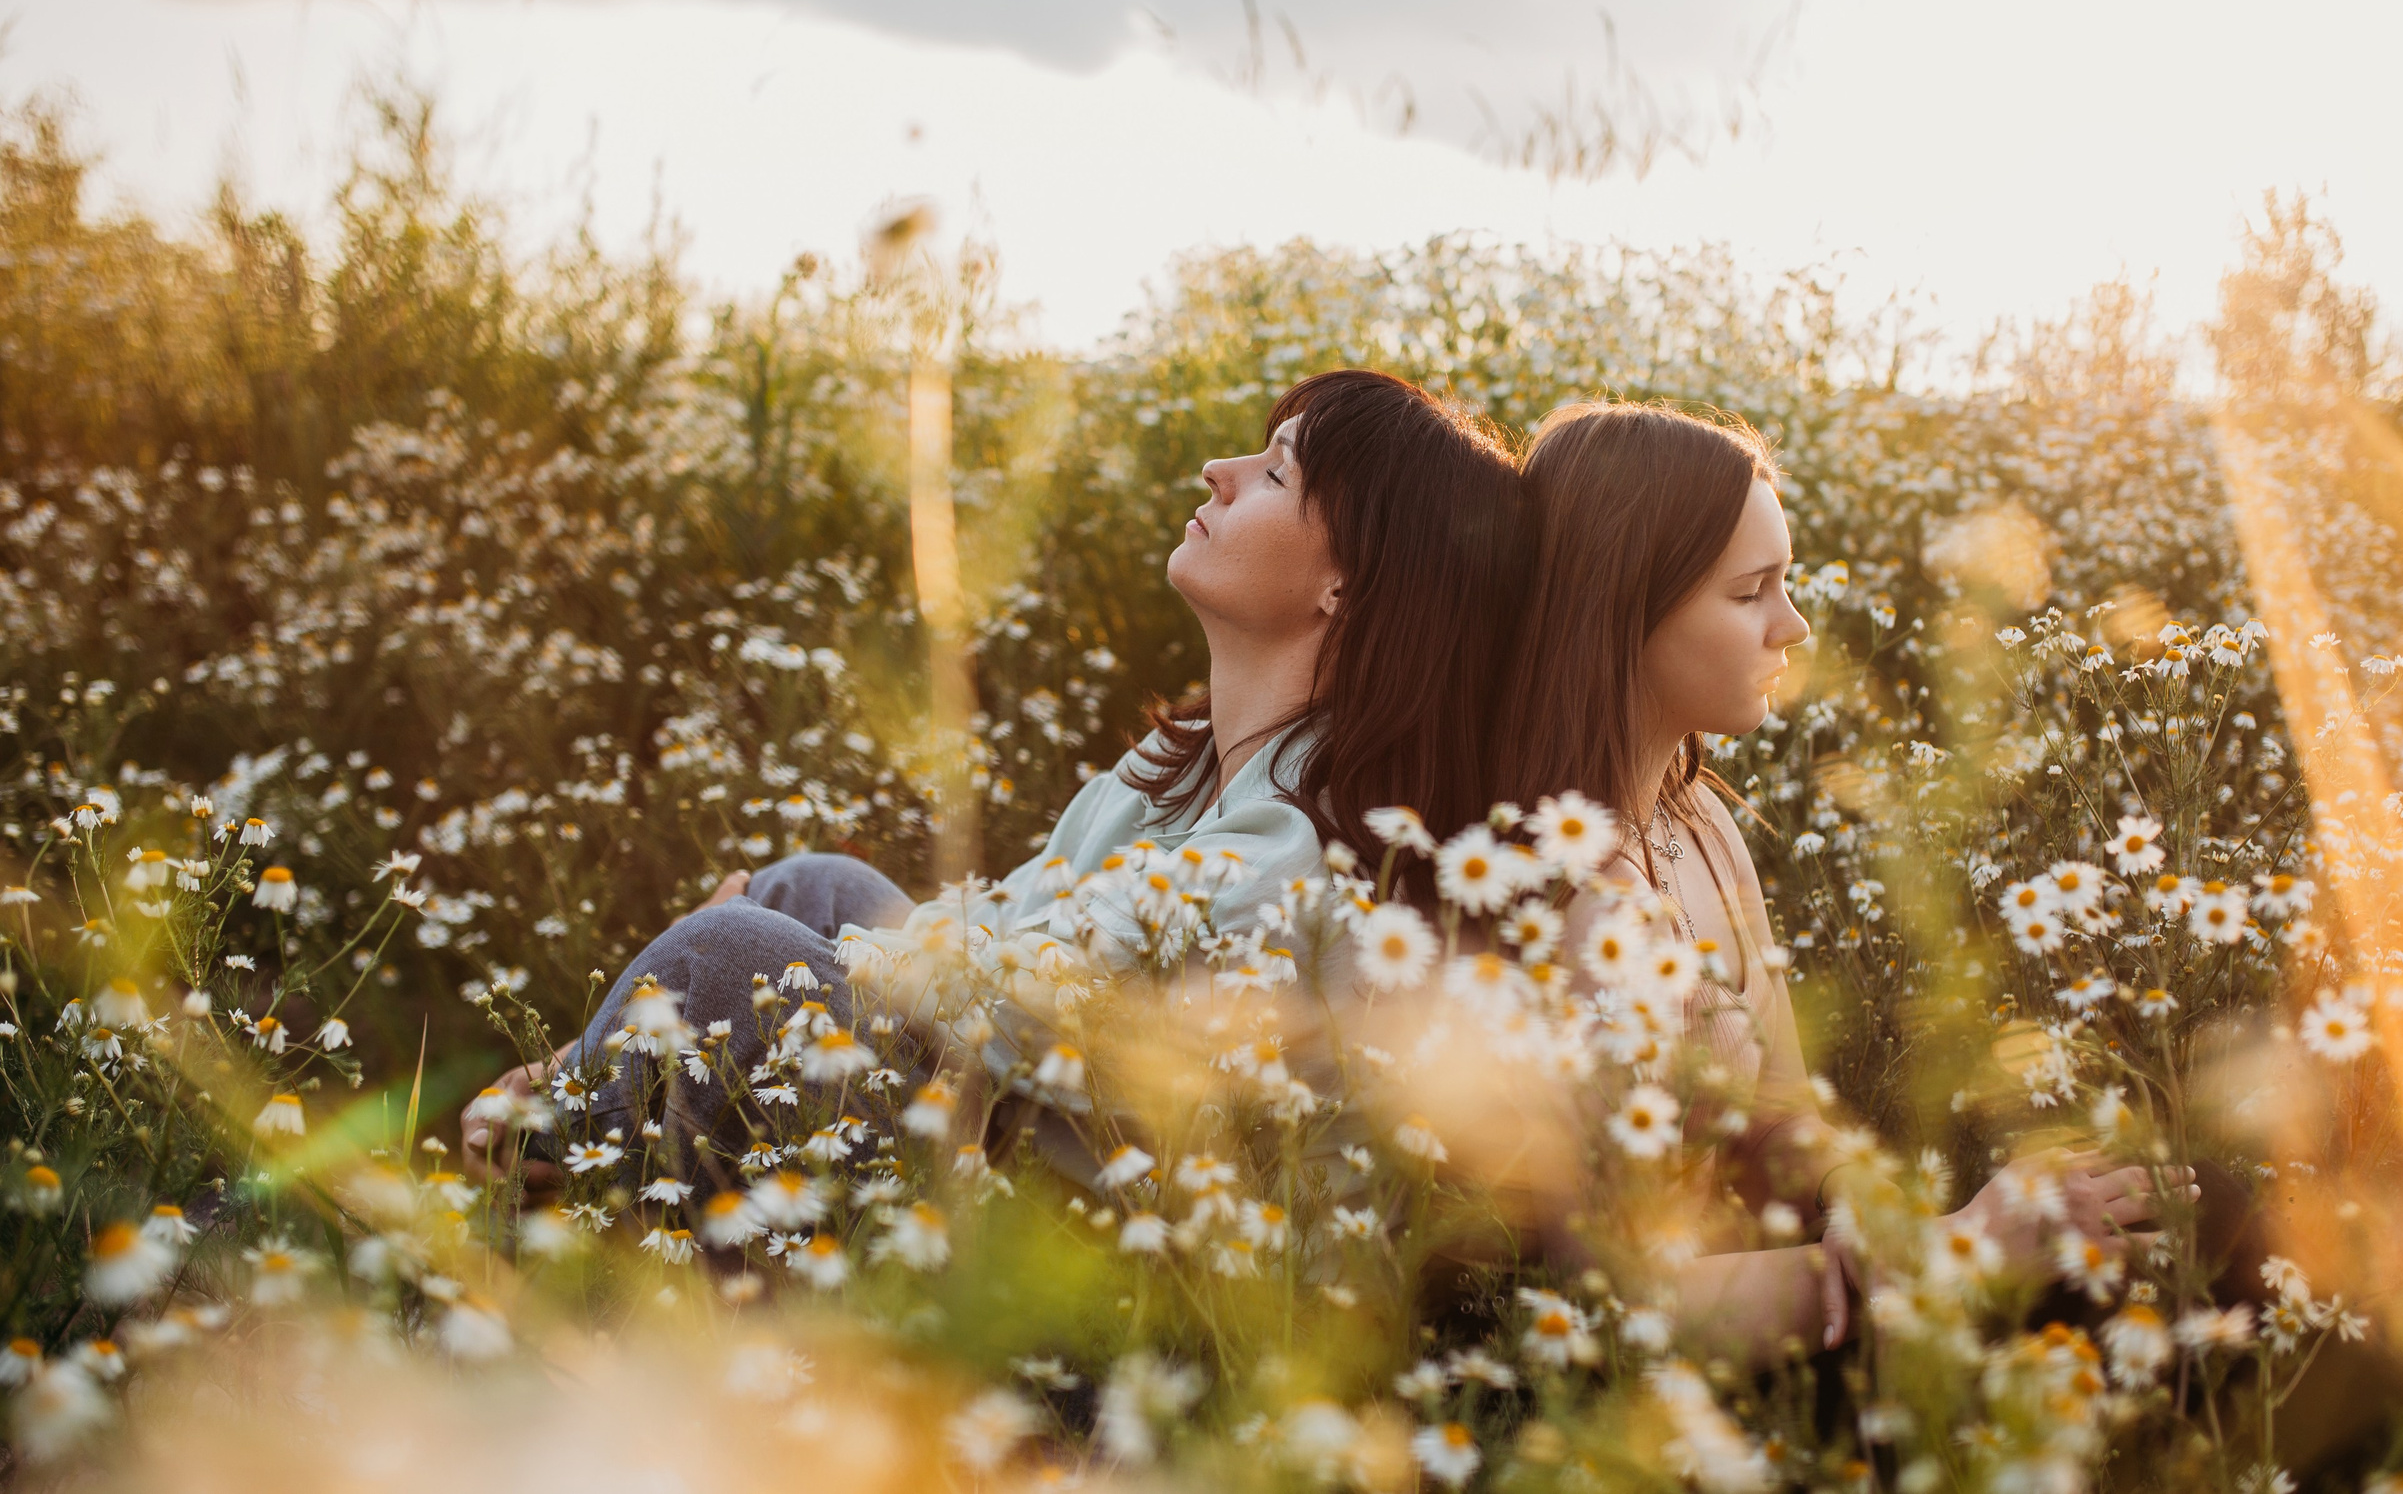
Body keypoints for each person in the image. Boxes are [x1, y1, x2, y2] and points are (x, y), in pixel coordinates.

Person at [463, 367, 1528, 1189]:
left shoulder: (1297, 850)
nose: (1219, 471)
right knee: (811, 891)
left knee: (733, 950)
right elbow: (996, 923)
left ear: (1350, 581)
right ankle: (571, 1159)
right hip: (995, 1123)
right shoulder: (1175, 777)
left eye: (1276, 471)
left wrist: (762, 961)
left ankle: (539, 1215)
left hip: (1069, 1254)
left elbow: (1015, 998)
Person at [1491, 399, 2194, 1361]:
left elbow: (1789, 1118)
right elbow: (1616, 1311)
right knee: (2156, 1270)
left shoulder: (1698, 822)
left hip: (1818, 1294)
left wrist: (1856, 1198)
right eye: (1750, 593)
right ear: (1623, 611)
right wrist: (1952, 1251)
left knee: (2174, 1215)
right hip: (1730, 1380)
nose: (1795, 625)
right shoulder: (1577, 910)